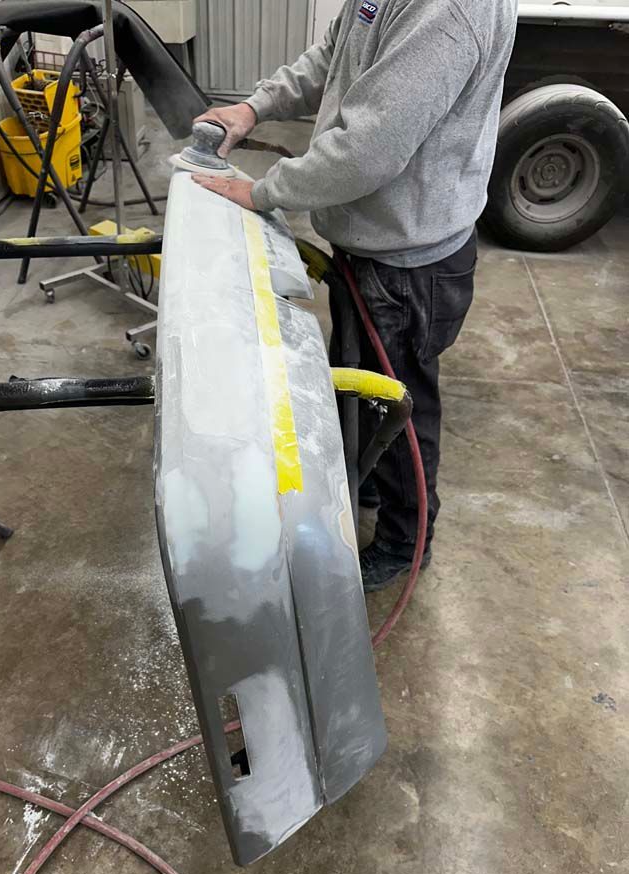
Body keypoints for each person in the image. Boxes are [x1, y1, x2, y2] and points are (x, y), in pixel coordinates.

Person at [192, 0, 518, 592]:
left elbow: (368, 151)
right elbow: (337, 52)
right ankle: (362, 482)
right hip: (370, 240)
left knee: (396, 406)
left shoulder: (446, 11)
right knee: (356, 382)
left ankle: (403, 541)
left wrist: (265, 192)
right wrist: (254, 106)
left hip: (405, 262)